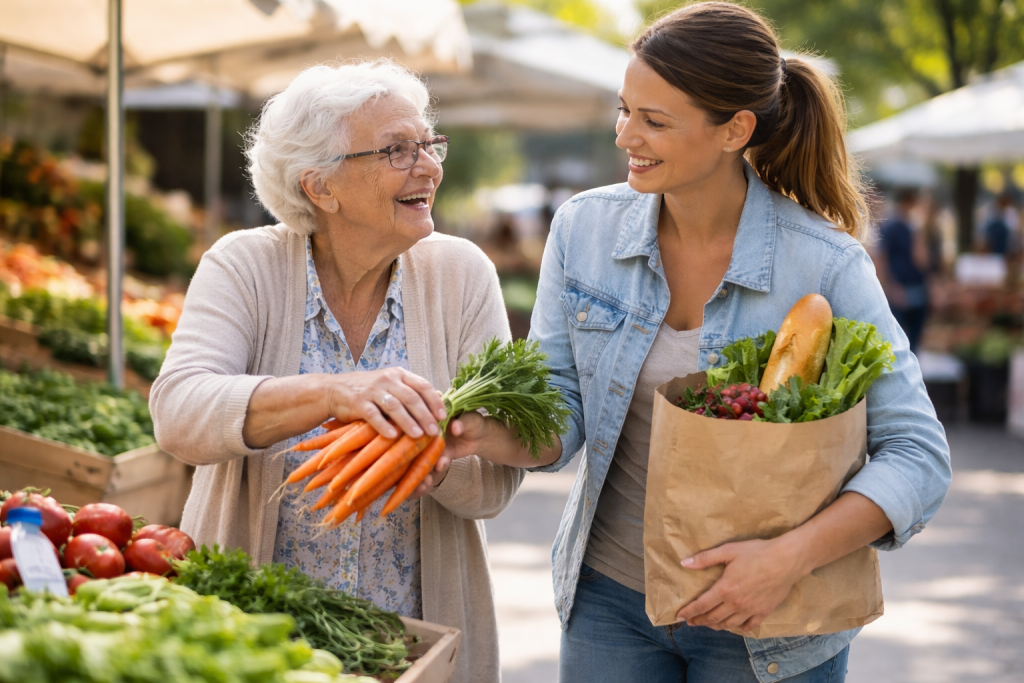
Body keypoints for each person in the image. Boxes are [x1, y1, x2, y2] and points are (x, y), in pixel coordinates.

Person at [442, 3, 951, 682]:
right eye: (624, 110)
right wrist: (480, 433)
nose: (626, 136)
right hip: (611, 600)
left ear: (735, 130)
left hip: (769, 618)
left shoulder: (824, 265)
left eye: (654, 121)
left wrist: (786, 559)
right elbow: (562, 414)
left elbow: (918, 454)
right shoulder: (583, 233)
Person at [150, 60, 521, 683]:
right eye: (397, 151)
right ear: (320, 187)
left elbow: (498, 481)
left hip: (407, 648)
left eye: (429, 144)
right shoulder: (244, 265)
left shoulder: (462, 275)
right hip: (252, 636)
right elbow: (179, 412)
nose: (427, 166)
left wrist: (438, 465)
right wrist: (333, 392)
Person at [876, 189, 929, 353]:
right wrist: (891, 287)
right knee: (897, 338)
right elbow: (883, 259)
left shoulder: (914, 229)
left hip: (916, 287)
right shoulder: (890, 228)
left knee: (915, 335)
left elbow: (922, 260)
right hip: (899, 288)